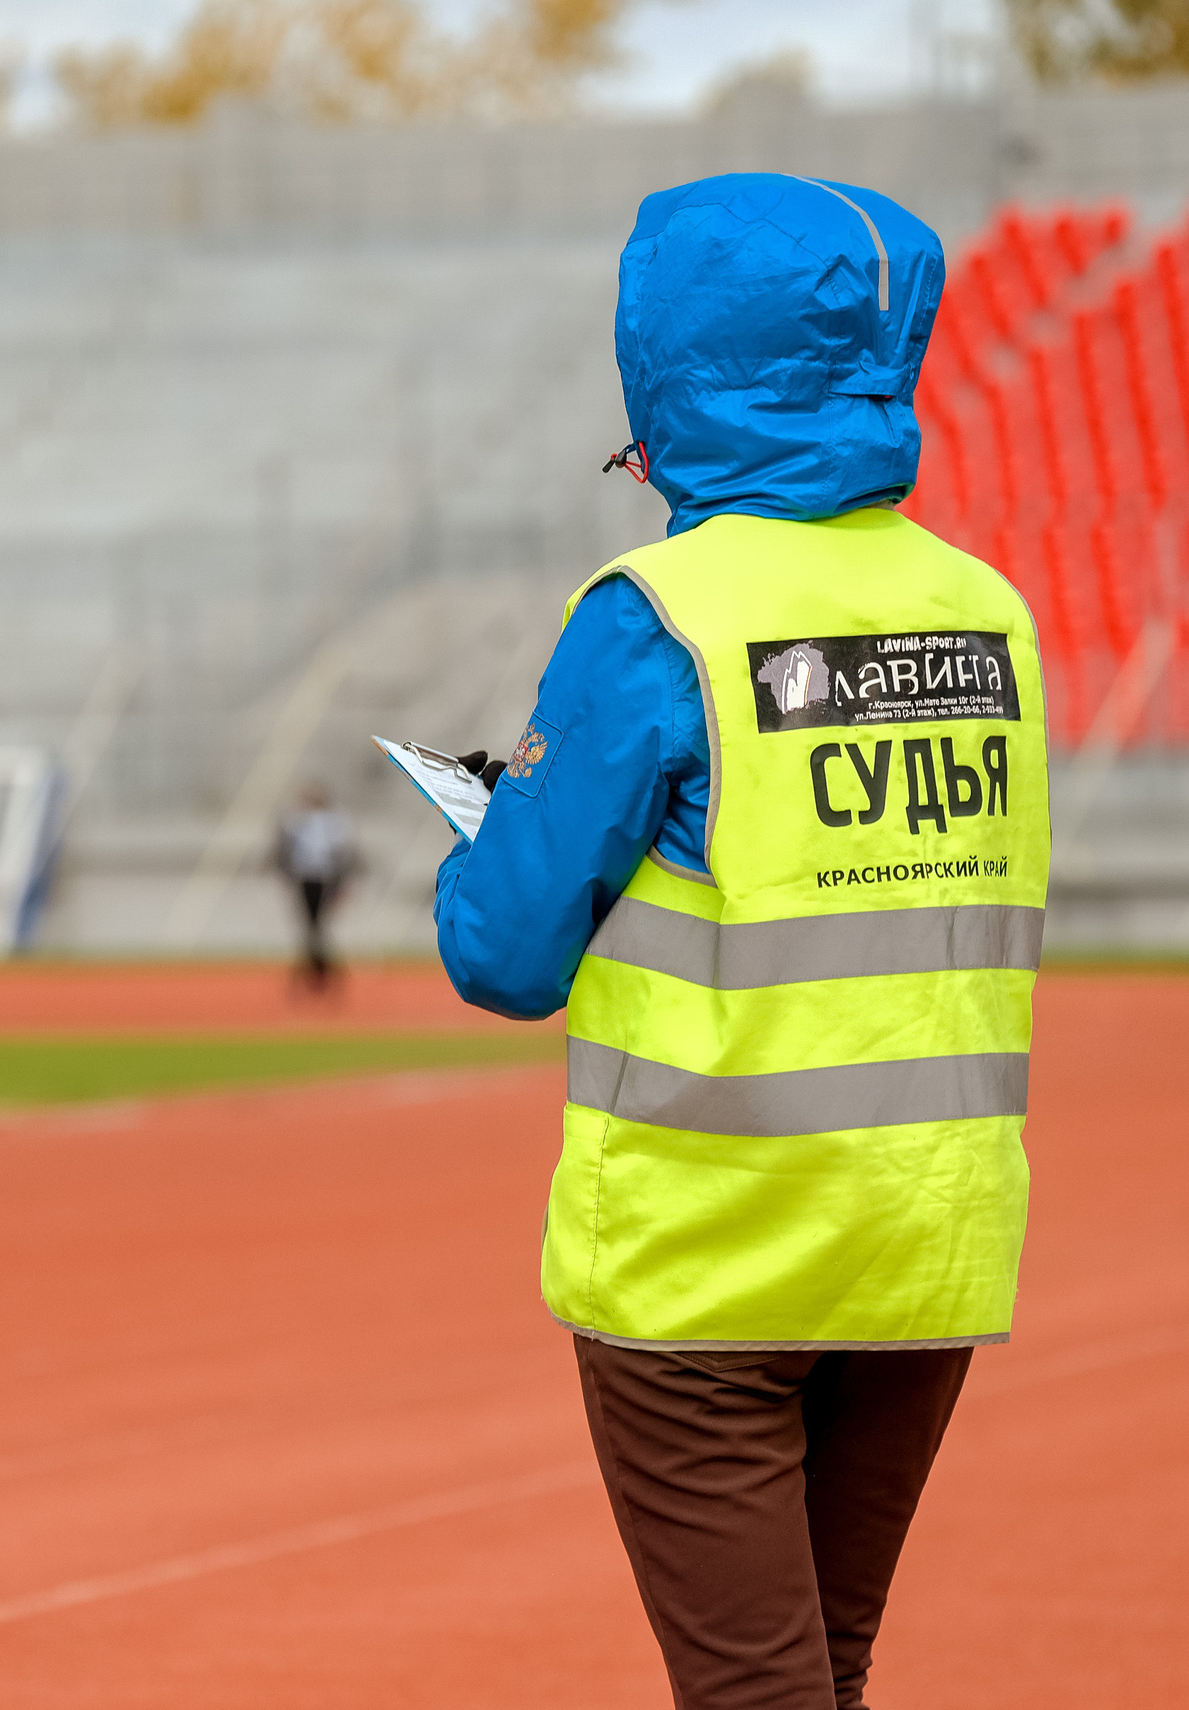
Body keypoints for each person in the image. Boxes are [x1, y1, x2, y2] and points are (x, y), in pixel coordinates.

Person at [433, 174, 1051, 1710]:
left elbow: (506, 955)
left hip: (711, 1254)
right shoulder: (987, 611)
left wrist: (495, 834)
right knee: (819, 1667)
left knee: (757, 1688)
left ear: (666, 363)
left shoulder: (660, 614)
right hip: (925, 1241)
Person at [273, 784, 357, 992]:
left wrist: (340, 882)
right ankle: (318, 973)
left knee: (315, 929)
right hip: (306, 879)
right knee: (313, 929)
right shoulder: (301, 820)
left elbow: (341, 855)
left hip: (324, 879)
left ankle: (317, 973)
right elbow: (287, 846)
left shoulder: (334, 821)